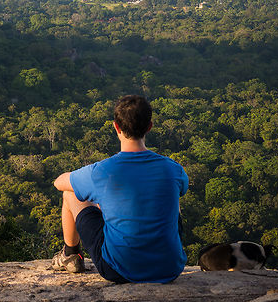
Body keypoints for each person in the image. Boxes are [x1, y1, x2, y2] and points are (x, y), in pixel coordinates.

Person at [51, 94, 188, 283]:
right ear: (150, 126)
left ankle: (70, 254)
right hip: (169, 269)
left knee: (70, 192)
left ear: (116, 127)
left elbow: (59, 183)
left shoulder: (103, 171)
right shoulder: (173, 169)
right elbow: (180, 192)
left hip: (118, 269)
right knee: (170, 196)